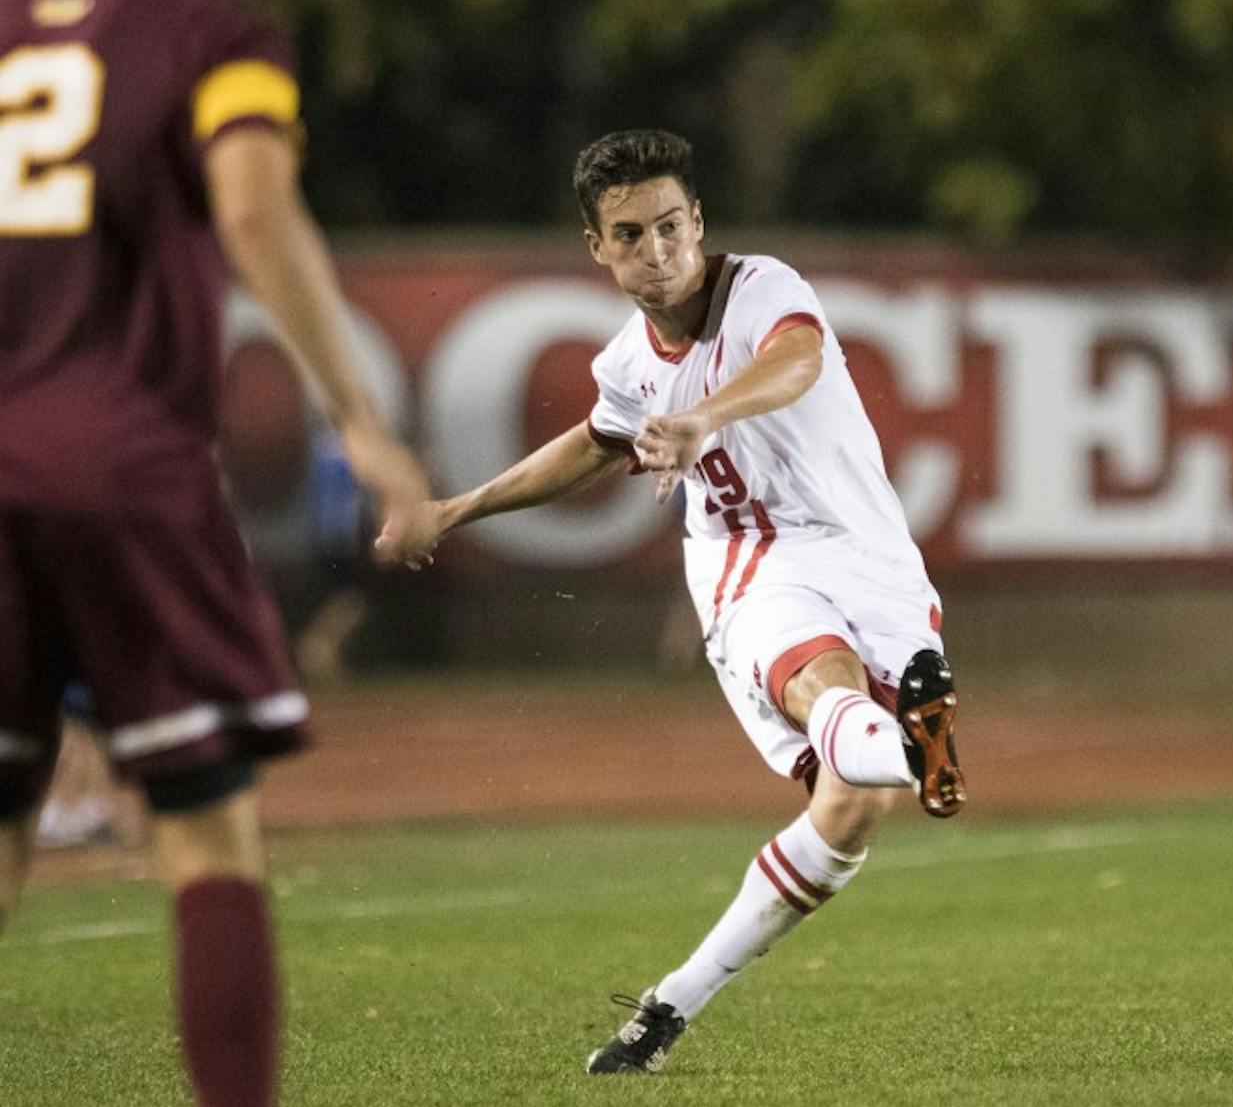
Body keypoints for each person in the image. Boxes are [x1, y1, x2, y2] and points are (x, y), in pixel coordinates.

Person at [378, 128, 965, 1075]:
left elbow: (798, 360)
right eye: (630, 234)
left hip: (866, 551)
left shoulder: (764, 287)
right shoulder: (627, 365)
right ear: (597, 250)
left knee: (851, 806)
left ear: (699, 222)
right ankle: (669, 1007)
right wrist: (459, 507)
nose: (657, 252)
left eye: (670, 226)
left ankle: (898, 745)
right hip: (755, 565)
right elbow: (587, 444)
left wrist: (701, 418)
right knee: (833, 714)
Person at [0, 0, 428, 1105]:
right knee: (204, 833)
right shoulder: (210, 38)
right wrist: (359, 418)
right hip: (121, 460)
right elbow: (250, 212)